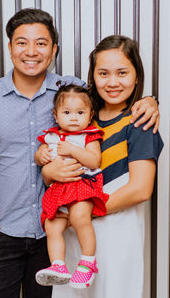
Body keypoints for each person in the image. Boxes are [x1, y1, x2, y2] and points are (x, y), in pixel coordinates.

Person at [0, 7, 159, 298]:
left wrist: (150, 100)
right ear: (9, 48)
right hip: (12, 229)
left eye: (41, 43)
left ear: (54, 49)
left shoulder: (73, 94)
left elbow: (113, 94)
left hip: (57, 230)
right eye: (22, 42)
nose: (31, 51)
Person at [41, 35, 164, 298]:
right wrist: (48, 172)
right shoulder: (82, 117)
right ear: (92, 77)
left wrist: (83, 211)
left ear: (137, 76)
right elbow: (54, 163)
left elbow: (140, 189)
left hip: (115, 231)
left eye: (122, 73)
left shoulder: (139, 122)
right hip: (74, 232)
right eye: (103, 73)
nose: (112, 82)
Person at [35, 84, 109, 289]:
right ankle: (58, 265)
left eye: (80, 112)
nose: (74, 117)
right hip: (59, 192)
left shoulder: (89, 135)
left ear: (90, 115)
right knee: (52, 226)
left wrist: (72, 149)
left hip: (82, 186)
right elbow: (40, 155)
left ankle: (87, 261)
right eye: (67, 112)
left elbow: (94, 161)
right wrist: (41, 156)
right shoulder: (50, 136)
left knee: (79, 217)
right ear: (56, 115)